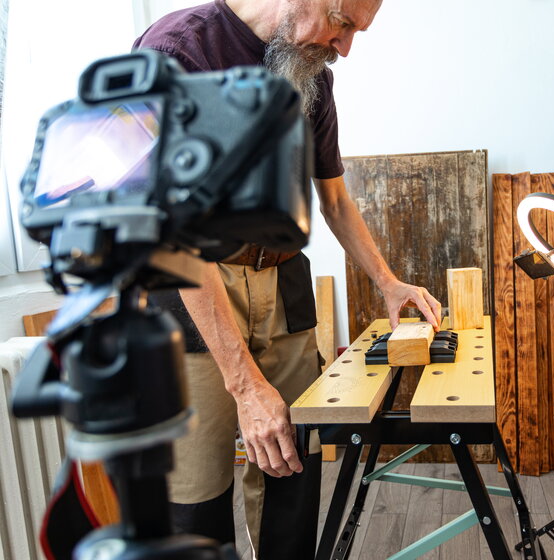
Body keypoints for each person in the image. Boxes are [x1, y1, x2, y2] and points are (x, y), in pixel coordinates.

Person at [133, 1, 442, 557]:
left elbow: (335, 198)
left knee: (291, 472)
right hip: (192, 290)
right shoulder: (177, 52)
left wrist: (388, 281)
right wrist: (246, 385)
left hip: (283, 286)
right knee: (193, 496)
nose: (345, 47)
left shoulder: (311, 70)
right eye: (342, 22)